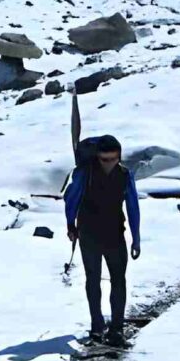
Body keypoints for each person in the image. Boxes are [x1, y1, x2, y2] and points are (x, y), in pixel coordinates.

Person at [64, 134, 141, 346]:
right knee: (93, 279)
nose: (109, 163)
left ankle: (116, 328)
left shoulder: (125, 175)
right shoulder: (85, 173)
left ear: (119, 157)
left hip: (115, 233)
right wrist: (71, 224)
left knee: (119, 280)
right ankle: (97, 325)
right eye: (104, 159)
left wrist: (136, 238)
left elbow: (133, 206)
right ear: (97, 157)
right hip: (89, 234)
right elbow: (71, 198)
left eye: (113, 159)